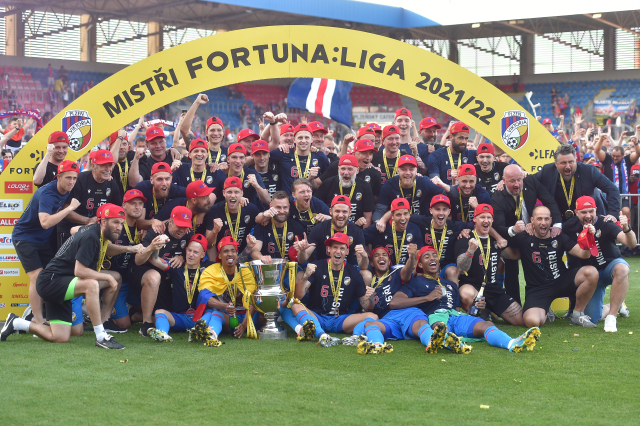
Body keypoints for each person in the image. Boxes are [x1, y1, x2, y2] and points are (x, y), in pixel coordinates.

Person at [2, 205, 128, 349]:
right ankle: (101, 336)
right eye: (115, 222)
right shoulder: (92, 236)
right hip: (51, 282)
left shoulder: (97, 234)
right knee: (91, 284)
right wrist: (108, 278)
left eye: (122, 224)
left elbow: (75, 232)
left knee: (60, 337)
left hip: (61, 283)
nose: (119, 227)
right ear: (104, 222)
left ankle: (16, 322)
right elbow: (79, 271)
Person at [389, 246, 541, 354]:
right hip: (433, 316)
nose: (432, 258)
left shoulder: (450, 284)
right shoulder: (415, 282)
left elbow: (460, 310)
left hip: (456, 316)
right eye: (426, 257)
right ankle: (453, 343)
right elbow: (394, 303)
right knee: (439, 326)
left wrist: (477, 308)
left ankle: (511, 343)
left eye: (434, 255)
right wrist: (426, 298)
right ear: (420, 264)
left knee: (486, 324)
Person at [507, 205, 599, 328]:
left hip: (561, 281)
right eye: (539, 219)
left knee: (591, 272)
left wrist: (589, 237)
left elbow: (584, 254)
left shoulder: (558, 235)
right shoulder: (524, 237)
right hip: (538, 289)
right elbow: (505, 247)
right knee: (532, 322)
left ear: (551, 220)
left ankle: (577, 314)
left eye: (546, 219)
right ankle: (545, 310)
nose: (543, 222)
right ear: (532, 220)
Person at [12, 161, 81, 325]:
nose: (71, 182)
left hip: (42, 240)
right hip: (25, 237)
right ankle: (37, 319)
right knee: (37, 277)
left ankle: (43, 314)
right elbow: (45, 222)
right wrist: (70, 209)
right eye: (68, 178)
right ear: (59, 177)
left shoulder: (66, 189)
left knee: (51, 276)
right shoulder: (47, 193)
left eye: (74, 178)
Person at [289, 232, 376, 347]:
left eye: (342, 248)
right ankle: (322, 335)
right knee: (295, 305)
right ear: (329, 250)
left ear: (347, 252)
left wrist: (369, 297)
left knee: (373, 316)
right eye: (335, 247)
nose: (338, 251)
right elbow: (298, 296)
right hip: (317, 316)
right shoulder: (317, 266)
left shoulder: (353, 272)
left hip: (341, 319)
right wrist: (305, 277)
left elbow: (366, 306)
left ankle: (355, 337)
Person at [563, 196, 636, 332]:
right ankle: (617, 305)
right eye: (583, 212)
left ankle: (612, 318)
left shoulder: (606, 223)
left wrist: (626, 228)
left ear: (596, 210)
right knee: (592, 317)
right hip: (592, 278)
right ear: (576, 212)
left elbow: (631, 243)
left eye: (591, 211)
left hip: (610, 269)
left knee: (622, 268)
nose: (588, 215)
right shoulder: (569, 227)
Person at [492, 165, 562, 303]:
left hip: (533, 232)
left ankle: (545, 301)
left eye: (519, 179)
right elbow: (498, 226)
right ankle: (515, 304)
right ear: (503, 180)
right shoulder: (497, 196)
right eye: (512, 181)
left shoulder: (530, 181)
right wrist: (514, 229)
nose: (517, 184)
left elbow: (549, 200)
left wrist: (557, 224)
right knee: (511, 267)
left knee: (541, 264)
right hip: (511, 236)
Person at [347, 244, 426, 354]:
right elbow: (368, 308)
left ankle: (433, 341)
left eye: (384, 255)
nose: (381, 257)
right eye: (376, 255)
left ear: (389, 261)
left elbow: (408, 271)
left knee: (421, 324)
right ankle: (377, 345)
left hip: (406, 312)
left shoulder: (396, 272)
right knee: (370, 325)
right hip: (387, 318)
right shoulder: (370, 281)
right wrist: (369, 298)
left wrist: (412, 257)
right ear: (372, 263)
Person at [455, 204, 524, 325]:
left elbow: (514, 255)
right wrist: (470, 251)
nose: (486, 220)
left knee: (521, 320)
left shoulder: (496, 240)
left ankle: (488, 309)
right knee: (466, 294)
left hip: (493, 289)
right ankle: (479, 312)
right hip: (472, 287)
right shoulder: (465, 238)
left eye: (489, 217)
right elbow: (461, 267)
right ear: (475, 219)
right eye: (482, 217)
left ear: (492, 220)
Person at [133, 206, 194, 337]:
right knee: (154, 277)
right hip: (146, 271)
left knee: (165, 314)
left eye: (185, 226)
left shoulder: (188, 233)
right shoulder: (157, 231)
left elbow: (196, 252)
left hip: (169, 276)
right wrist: (151, 247)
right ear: (170, 221)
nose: (182, 230)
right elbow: (138, 260)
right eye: (179, 226)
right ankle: (146, 323)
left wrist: (183, 257)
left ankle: (136, 315)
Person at [148, 234, 211, 343]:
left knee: (213, 312)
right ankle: (162, 333)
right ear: (185, 250)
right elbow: (154, 260)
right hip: (181, 318)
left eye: (195, 252)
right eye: (189, 250)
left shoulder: (209, 268)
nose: (191, 255)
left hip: (201, 317)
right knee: (159, 312)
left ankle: (200, 332)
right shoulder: (176, 267)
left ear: (203, 254)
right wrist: (157, 245)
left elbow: (232, 265)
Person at [534, 144, 620, 221]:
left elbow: (612, 189)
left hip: (589, 219)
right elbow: (529, 185)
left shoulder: (589, 171)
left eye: (571, 162)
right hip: (561, 222)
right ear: (556, 163)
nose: (568, 167)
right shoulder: (547, 171)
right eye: (563, 163)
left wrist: (613, 215)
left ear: (576, 160)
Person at [196, 236, 259, 339]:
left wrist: (244, 325)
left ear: (236, 254)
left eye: (233, 251)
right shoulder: (210, 271)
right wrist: (225, 306)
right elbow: (205, 297)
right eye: (225, 251)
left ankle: (202, 327)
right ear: (220, 255)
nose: (230, 254)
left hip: (247, 315)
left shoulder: (245, 271)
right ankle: (212, 335)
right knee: (215, 313)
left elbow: (253, 298)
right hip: (226, 315)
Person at [57, 149, 122, 248]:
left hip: (96, 231)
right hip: (70, 229)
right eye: (103, 165)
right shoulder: (80, 180)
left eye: (110, 165)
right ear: (93, 166)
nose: (108, 169)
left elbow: (118, 209)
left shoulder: (111, 183)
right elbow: (65, 209)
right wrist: (87, 221)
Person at [409, 194, 470, 282]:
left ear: (449, 211)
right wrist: (383, 220)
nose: (441, 213)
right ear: (431, 210)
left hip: (446, 267)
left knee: (452, 271)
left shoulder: (456, 226)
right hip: (427, 265)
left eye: (444, 209)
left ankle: (453, 295)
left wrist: (467, 230)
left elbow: (477, 225)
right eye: (437, 209)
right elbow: (402, 214)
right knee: (418, 266)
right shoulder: (422, 221)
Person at [205, 176, 268, 260]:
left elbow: (260, 223)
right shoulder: (214, 211)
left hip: (243, 255)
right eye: (229, 192)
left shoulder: (251, 209)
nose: (233, 195)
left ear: (242, 193)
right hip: (221, 256)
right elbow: (209, 245)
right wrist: (214, 231)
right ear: (223, 193)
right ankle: (213, 266)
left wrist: (264, 219)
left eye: (236, 192)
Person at [302, 195, 368, 268]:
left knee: (366, 275)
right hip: (324, 269)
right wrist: (301, 251)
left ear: (350, 213)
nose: (340, 215)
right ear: (330, 211)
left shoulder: (356, 231)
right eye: (337, 211)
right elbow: (303, 258)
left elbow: (363, 267)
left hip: (348, 271)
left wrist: (364, 256)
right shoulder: (319, 228)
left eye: (344, 212)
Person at [375, 154, 444, 221]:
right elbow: (380, 210)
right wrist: (378, 222)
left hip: (422, 225)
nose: (407, 173)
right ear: (397, 170)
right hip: (398, 225)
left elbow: (444, 195)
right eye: (403, 169)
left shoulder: (424, 182)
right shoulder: (389, 184)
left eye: (411, 169)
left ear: (416, 170)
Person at [269, 123, 330, 194]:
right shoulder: (283, 153)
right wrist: (278, 146)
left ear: (312, 139)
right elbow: (262, 155)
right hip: (288, 203)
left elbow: (327, 182)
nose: (303, 141)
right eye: (300, 138)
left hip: (309, 202)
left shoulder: (320, 156)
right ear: (294, 139)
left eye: (307, 138)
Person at [315, 154, 374, 227]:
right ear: (338, 169)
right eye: (343, 169)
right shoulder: (327, 184)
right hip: (330, 228)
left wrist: (363, 236)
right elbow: (315, 207)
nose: (346, 173)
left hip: (354, 231)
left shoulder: (365, 186)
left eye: (350, 169)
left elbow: (367, 217)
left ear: (357, 170)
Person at [593, 131, 640, 219]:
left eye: (617, 156)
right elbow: (597, 150)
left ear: (622, 155)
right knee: (608, 214)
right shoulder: (607, 159)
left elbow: (638, 153)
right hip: (608, 194)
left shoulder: (627, 160)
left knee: (626, 211)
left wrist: (636, 143)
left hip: (624, 194)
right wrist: (600, 140)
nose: (614, 157)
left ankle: (626, 231)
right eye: (613, 155)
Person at [249, 191, 305, 263]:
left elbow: (303, 259)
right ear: (271, 207)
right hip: (269, 267)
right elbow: (254, 250)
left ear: (289, 206)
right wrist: (261, 257)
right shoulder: (262, 225)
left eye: (285, 207)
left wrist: (302, 250)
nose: (282, 211)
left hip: (290, 268)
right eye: (278, 207)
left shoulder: (297, 226)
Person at [317, 138, 382, 200]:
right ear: (354, 154)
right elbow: (317, 184)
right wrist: (310, 177)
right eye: (364, 153)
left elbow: (375, 202)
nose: (368, 157)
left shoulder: (375, 173)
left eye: (370, 154)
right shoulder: (338, 165)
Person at [364, 198, 423, 266]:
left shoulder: (415, 228)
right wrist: (365, 252)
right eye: (398, 215)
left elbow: (419, 253)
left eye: (405, 214)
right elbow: (360, 237)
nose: (403, 218)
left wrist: (414, 254)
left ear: (410, 214)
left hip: (407, 271)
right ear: (392, 216)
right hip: (385, 271)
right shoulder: (380, 227)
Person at [211, 143, 270, 207]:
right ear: (228, 159)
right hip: (224, 214)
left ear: (245, 160)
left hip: (249, 213)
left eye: (241, 157)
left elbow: (268, 201)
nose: (238, 161)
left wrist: (257, 186)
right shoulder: (221, 173)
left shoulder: (252, 174)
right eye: (234, 157)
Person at [134, 162, 186, 228]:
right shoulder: (142, 188)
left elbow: (196, 194)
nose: (164, 183)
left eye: (167, 179)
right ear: (151, 180)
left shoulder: (174, 189)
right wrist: (152, 222)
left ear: (171, 179)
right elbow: (140, 224)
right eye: (160, 179)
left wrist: (201, 213)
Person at [180, 94, 228, 166]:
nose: (216, 133)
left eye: (219, 130)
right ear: (206, 133)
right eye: (212, 130)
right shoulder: (198, 148)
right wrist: (196, 103)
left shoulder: (229, 152)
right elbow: (184, 130)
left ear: (223, 132)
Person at [108, 129, 143, 195]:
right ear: (110, 147)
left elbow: (151, 155)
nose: (121, 147)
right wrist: (120, 137)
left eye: (124, 144)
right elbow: (110, 161)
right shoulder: (105, 162)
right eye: (118, 144)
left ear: (128, 146)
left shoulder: (132, 155)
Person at [248, 139, 281, 205]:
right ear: (252, 156)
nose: (262, 158)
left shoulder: (278, 169)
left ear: (269, 154)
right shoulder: (248, 173)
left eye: (264, 153)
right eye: (257, 154)